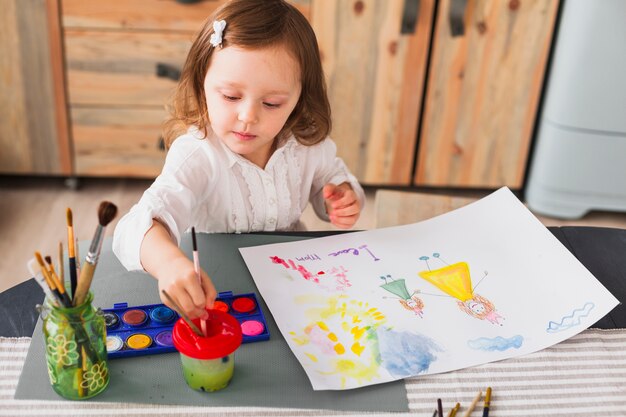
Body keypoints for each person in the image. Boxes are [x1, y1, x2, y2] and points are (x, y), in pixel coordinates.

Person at [113, 0, 365, 320]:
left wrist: (342, 197)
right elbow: (133, 229)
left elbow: (330, 180)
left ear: (300, 97)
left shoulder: (305, 142)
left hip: (290, 283)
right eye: (231, 97)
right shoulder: (198, 153)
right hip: (216, 289)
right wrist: (168, 264)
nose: (248, 117)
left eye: (272, 103)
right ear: (202, 83)